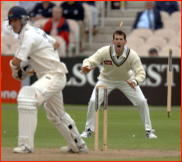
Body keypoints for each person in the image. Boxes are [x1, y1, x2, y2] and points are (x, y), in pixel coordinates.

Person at [8, 6, 88, 154]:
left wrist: (16, 71)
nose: (13, 24)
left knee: (28, 96)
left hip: (53, 75)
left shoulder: (28, 35)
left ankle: (25, 145)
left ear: (24, 20)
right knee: (55, 114)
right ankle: (79, 145)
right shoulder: (36, 31)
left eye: (16, 21)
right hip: (50, 76)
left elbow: (16, 61)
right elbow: (55, 44)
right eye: (11, 21)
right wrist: (34, 64)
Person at [80, 30, 157, 139]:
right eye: (116, 39)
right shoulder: (104, 51)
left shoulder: (132, 54)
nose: (118, 41)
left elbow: (141, 73)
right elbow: (90, 60)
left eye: (121, 39)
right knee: (93, 101)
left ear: (125, 41)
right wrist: (86, 66)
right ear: (113, 41)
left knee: (142, 101)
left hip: (127, 81)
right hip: (105, 80)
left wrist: (134, 82)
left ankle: (149, 131)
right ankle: (88, 130)